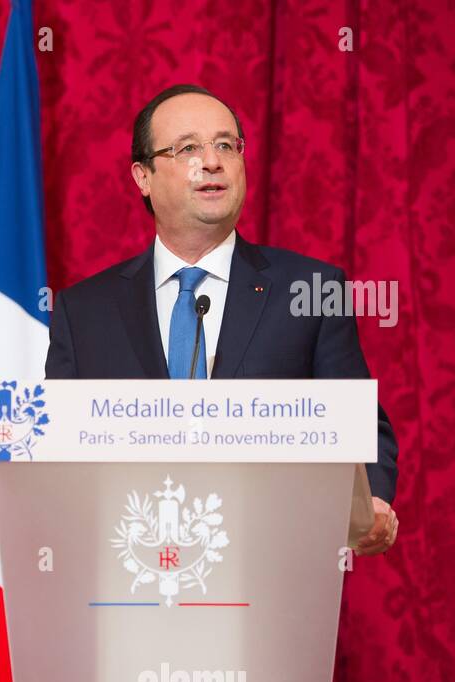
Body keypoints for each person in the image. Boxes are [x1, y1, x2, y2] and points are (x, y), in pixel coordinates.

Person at [46, 84, 399, 555]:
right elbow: (55, 452)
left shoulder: (311, 290)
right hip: (126, 578)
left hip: (269, 571)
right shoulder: (83, 311)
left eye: (226, 146)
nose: (211, 161)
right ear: (142, 176)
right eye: (188, 148)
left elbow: (361, 427)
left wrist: (371, 502)